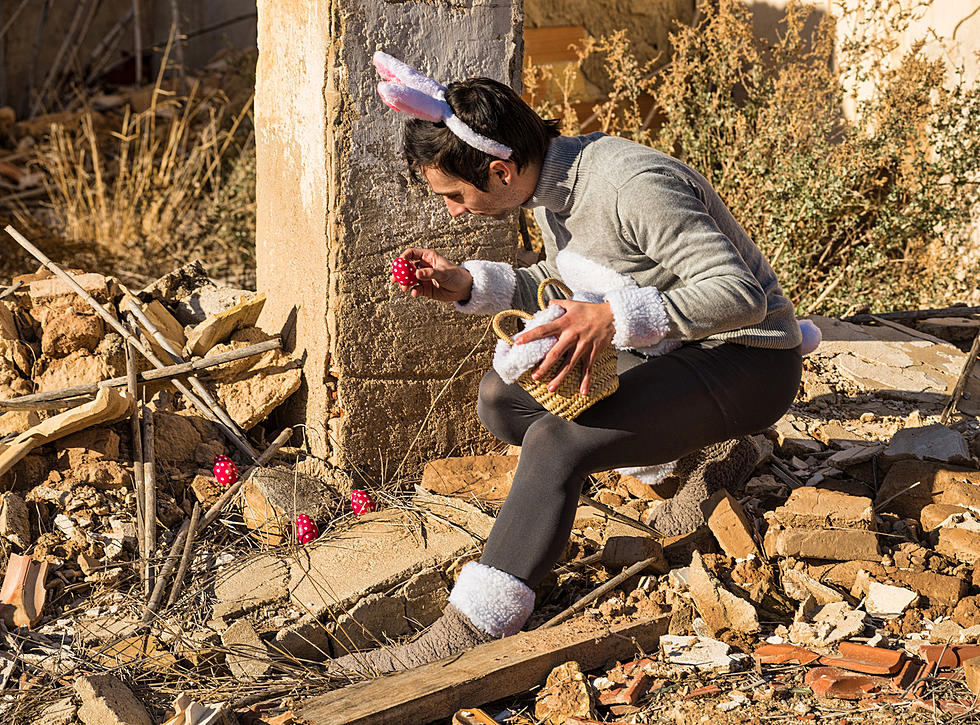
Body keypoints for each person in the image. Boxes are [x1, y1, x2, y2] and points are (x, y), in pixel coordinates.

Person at [327, 52, 811, 677]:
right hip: (670, 352)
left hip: (748, 359)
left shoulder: (629, 186)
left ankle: (468, 631)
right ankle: (703, 461)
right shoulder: (554, 184)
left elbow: (738, 293)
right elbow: (572, 285)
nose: (453, 211)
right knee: (502, 400)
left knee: (557, 442)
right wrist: (468, 283)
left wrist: (611, 320)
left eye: (454, 195)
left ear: (500, 171)